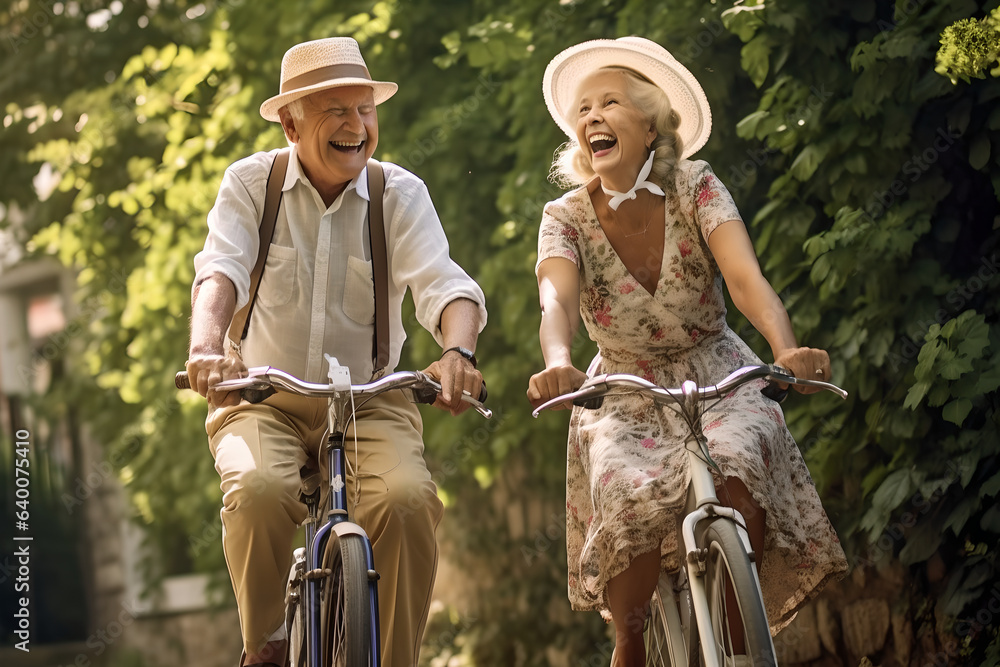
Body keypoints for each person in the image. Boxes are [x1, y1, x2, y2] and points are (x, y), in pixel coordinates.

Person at [526, 36, 847, 666]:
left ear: (648, 124)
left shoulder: (697, 186)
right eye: (582, 109)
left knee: (741, 465)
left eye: (609, 102)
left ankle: (727, 647)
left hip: (717, 369)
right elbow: (555, 301)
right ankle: (628, 644)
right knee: (624, 489)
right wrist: (557, 361)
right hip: (621, 389)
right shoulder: (563, 216)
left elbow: (745, 279)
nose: (591, 117)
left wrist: (786, 350)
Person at [185, 37, 487, 667]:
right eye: (335, 113)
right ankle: (265, 644)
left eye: (365, 110)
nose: (357, 127)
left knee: (407, 501)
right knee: (258, 488)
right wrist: (208, 347)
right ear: (291, 123)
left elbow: (446, 285)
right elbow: (221, 272)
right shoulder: (251, 184)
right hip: (261, 398)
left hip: (369, 402)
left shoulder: (399, 194)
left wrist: (459, 353)